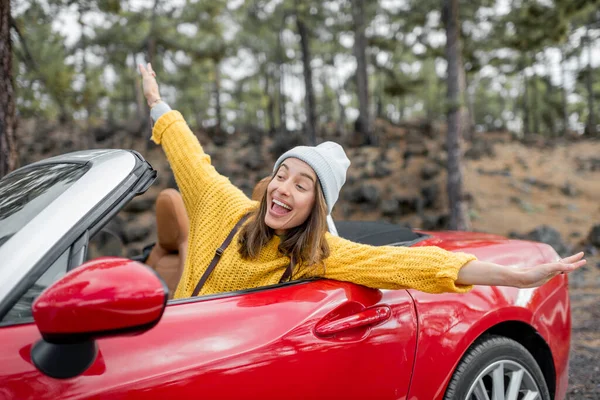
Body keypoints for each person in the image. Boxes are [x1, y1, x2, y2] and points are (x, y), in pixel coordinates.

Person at [138, 63, 586, 300]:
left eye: (301, 185)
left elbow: (419, 266)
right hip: (178, 347)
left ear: (317, 204)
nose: (281, 190)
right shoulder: (222, 207)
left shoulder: (318, 255)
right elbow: (188, 155)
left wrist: (517, 277)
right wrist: (157, 102)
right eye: (281, 176)